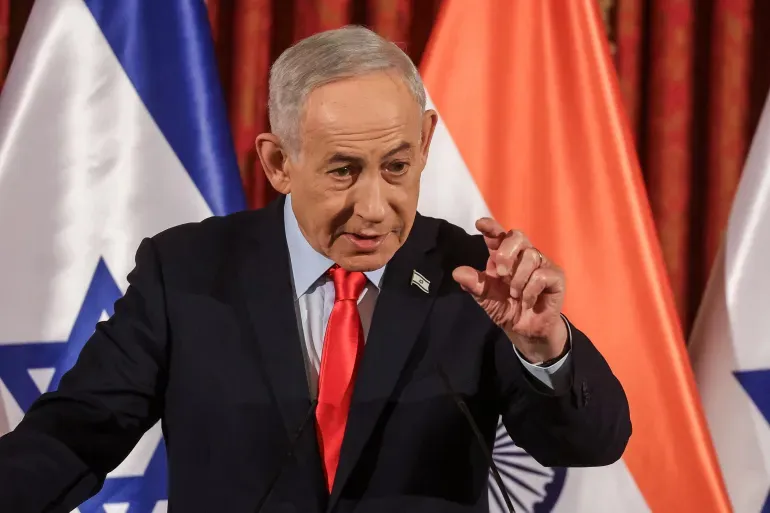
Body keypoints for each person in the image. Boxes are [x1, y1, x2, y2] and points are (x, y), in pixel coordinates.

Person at [0, 26, 630, 513]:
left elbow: (591, 444)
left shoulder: (475, 279)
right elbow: (74, 435)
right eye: (343, 171)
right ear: (279, 163)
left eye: (396, 167)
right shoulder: (188, 272)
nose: (374, 207)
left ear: (425, 142)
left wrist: (545, 349)